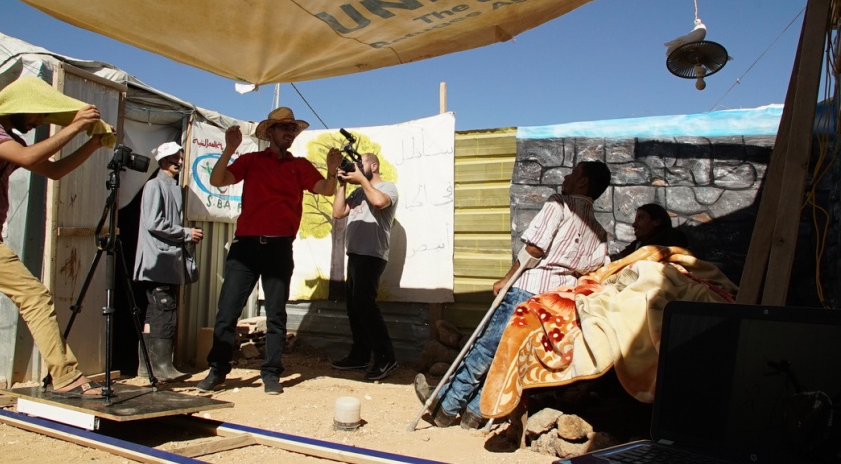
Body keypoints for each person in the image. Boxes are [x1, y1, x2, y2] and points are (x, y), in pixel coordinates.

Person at [0, 97, 114, 435]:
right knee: (34, 294)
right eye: (39, 112)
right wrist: (76, 125)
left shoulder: (9, 138)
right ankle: (65, 374)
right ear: (18, 105)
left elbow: (51, 169)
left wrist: (93, 144)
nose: (40, 121)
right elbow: (27, 157)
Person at [414, 160, 612, 429]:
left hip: (528, 290)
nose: (566, 176)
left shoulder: (560, 204)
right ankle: (476, 414)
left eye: (573, 173)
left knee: (486, 346)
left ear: (583, 181)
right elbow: (594, 271)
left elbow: (534, 250)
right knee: (509, 357)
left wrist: (506, 279)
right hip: (556, 302)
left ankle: (445, 408)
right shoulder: (599, 233)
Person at [196, 107, 342, 395]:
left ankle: (271, 373)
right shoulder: (251, 160)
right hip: (245, 247)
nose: (290, 133)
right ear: (271, 132)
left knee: (276, 314)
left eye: (293, 129)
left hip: (278, 248)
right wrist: (229, 149)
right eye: (285, 128)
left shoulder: (299, 165)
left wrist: (332, 168)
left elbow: (326, 189)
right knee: (227, 313)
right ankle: (217, 370)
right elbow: (217, 180)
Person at [132, 142, 203, 382]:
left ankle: (147, 367)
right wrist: (185, 233)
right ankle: (162, 365)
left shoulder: (170, 187)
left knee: (155, 312)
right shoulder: (155, 186)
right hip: (158, 259)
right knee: (164, 309)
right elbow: (154, 222)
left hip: (166, 260)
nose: (179, 163)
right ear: (163, 162)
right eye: (174, 159)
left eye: (180, 159)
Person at [330, 153, 400, 381]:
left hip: (372, 255)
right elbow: (338, 212)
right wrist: (341, 184)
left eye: (361, 163)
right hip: (355, 254)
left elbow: (379, 202)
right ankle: (360, 355)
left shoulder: (387, 187)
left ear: (374, 165)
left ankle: (386, 357)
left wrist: (361, 180)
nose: (357, 167)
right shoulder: (359, 191)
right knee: (354, 307)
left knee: (365, 305)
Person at [610, 203, 688, 261]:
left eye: (640, 218)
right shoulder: (636, 244)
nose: (634, 224)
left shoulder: (672, 237)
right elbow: (620, 259)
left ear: (656, 222)